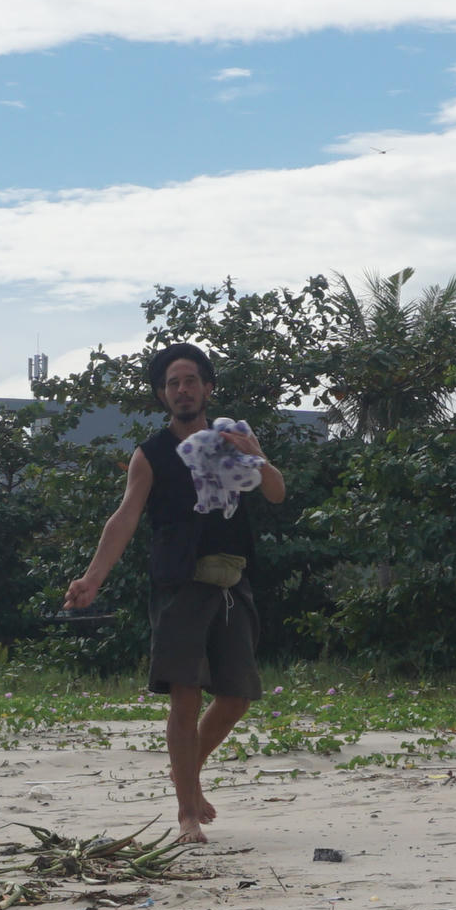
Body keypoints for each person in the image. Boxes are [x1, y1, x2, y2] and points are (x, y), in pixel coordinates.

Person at [65, 344, 284, 844]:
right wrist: (92, 578)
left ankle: (184, 769)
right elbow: (125, 517)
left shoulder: (233, 440)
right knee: (184, 697)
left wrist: (256, 455)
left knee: (236, 696)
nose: (182, 390)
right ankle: (188, 813)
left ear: (208, 388)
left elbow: (275, 492)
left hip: (232, 580)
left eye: (190, 381)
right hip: (178, 583)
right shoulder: (152, 453)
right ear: (163, 395)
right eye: (172, 384)